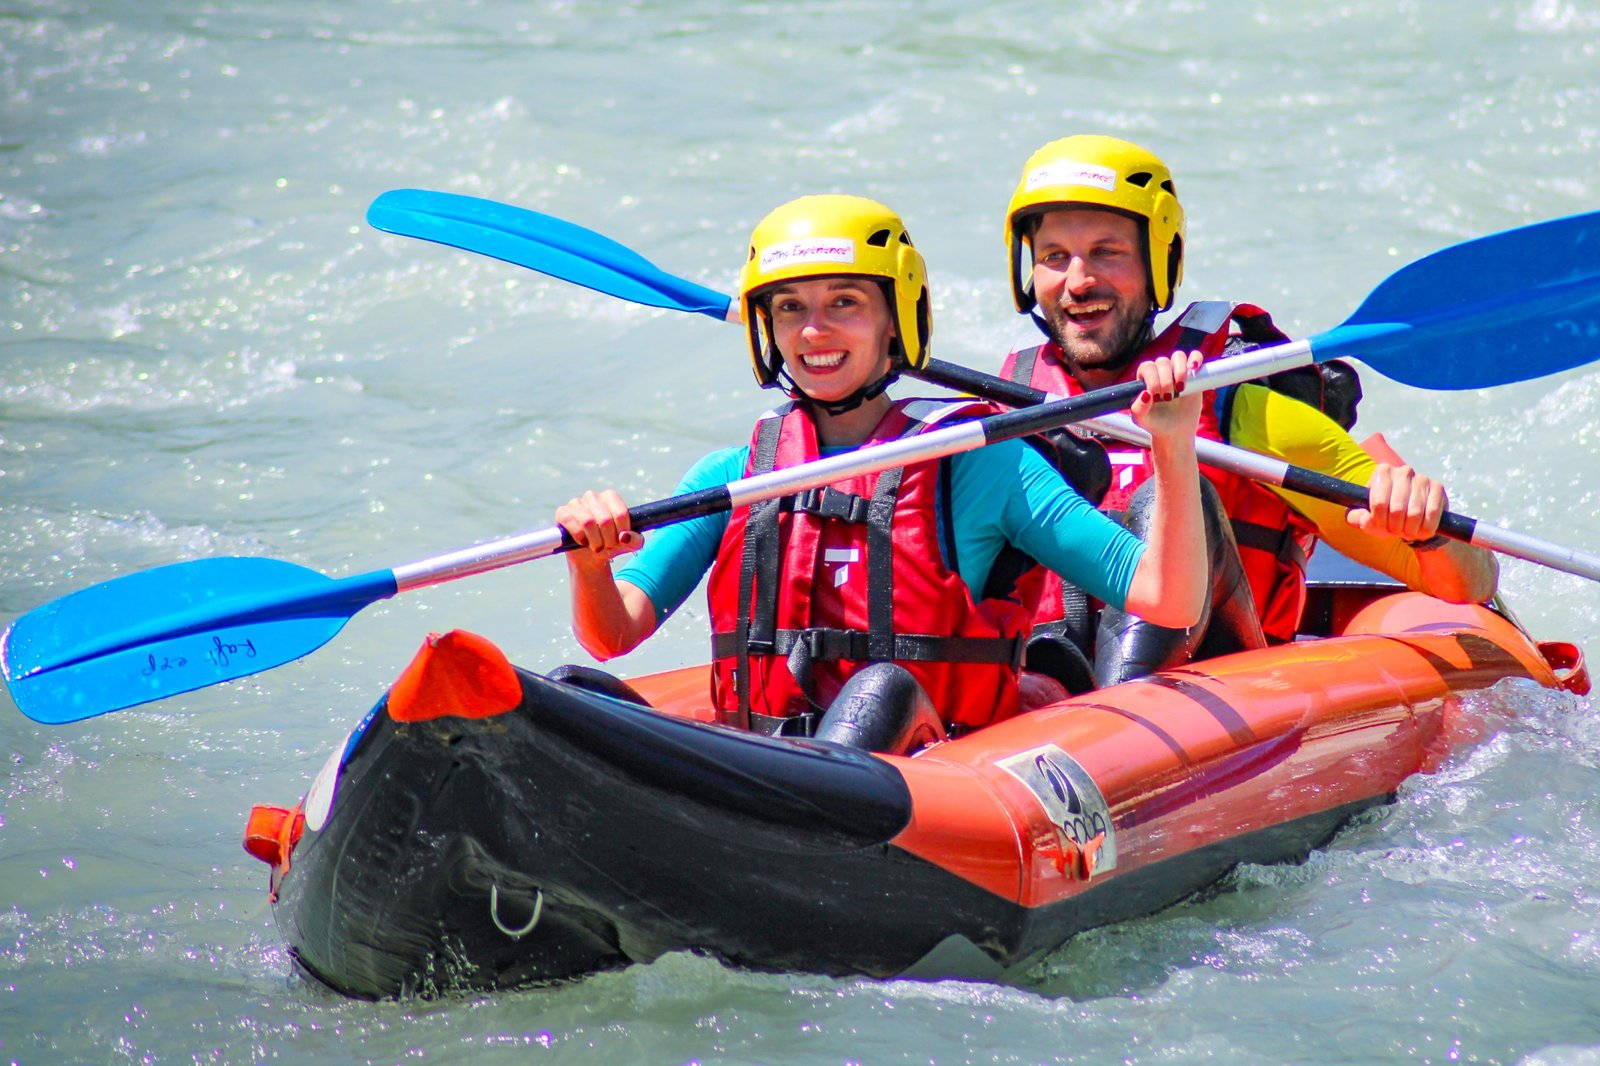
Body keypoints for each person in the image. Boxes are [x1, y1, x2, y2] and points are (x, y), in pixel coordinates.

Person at [555, 194, 1209, 751]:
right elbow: (613, 635)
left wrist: (1173, 446)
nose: (814, 331)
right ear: (766, 327)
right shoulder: (735, 474)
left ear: (896, 320)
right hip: (767, 767)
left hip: (925, 771)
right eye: (789, 308)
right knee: (567, 691)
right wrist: (589, 563)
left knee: (882, 691)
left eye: (844, 303)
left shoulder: (982, 464)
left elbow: (1167, 600)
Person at [999, 134, 1499, 685]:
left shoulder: (1239, 404)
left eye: (1107, 252)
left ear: (1157, 263)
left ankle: (1117, 707)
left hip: (1222, 692)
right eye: (1053, 257)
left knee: (1168, 498)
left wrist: (1425, 526)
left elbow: (1468, 585)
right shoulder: (1004, 412)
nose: (1078, 281)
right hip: (1049, 707)